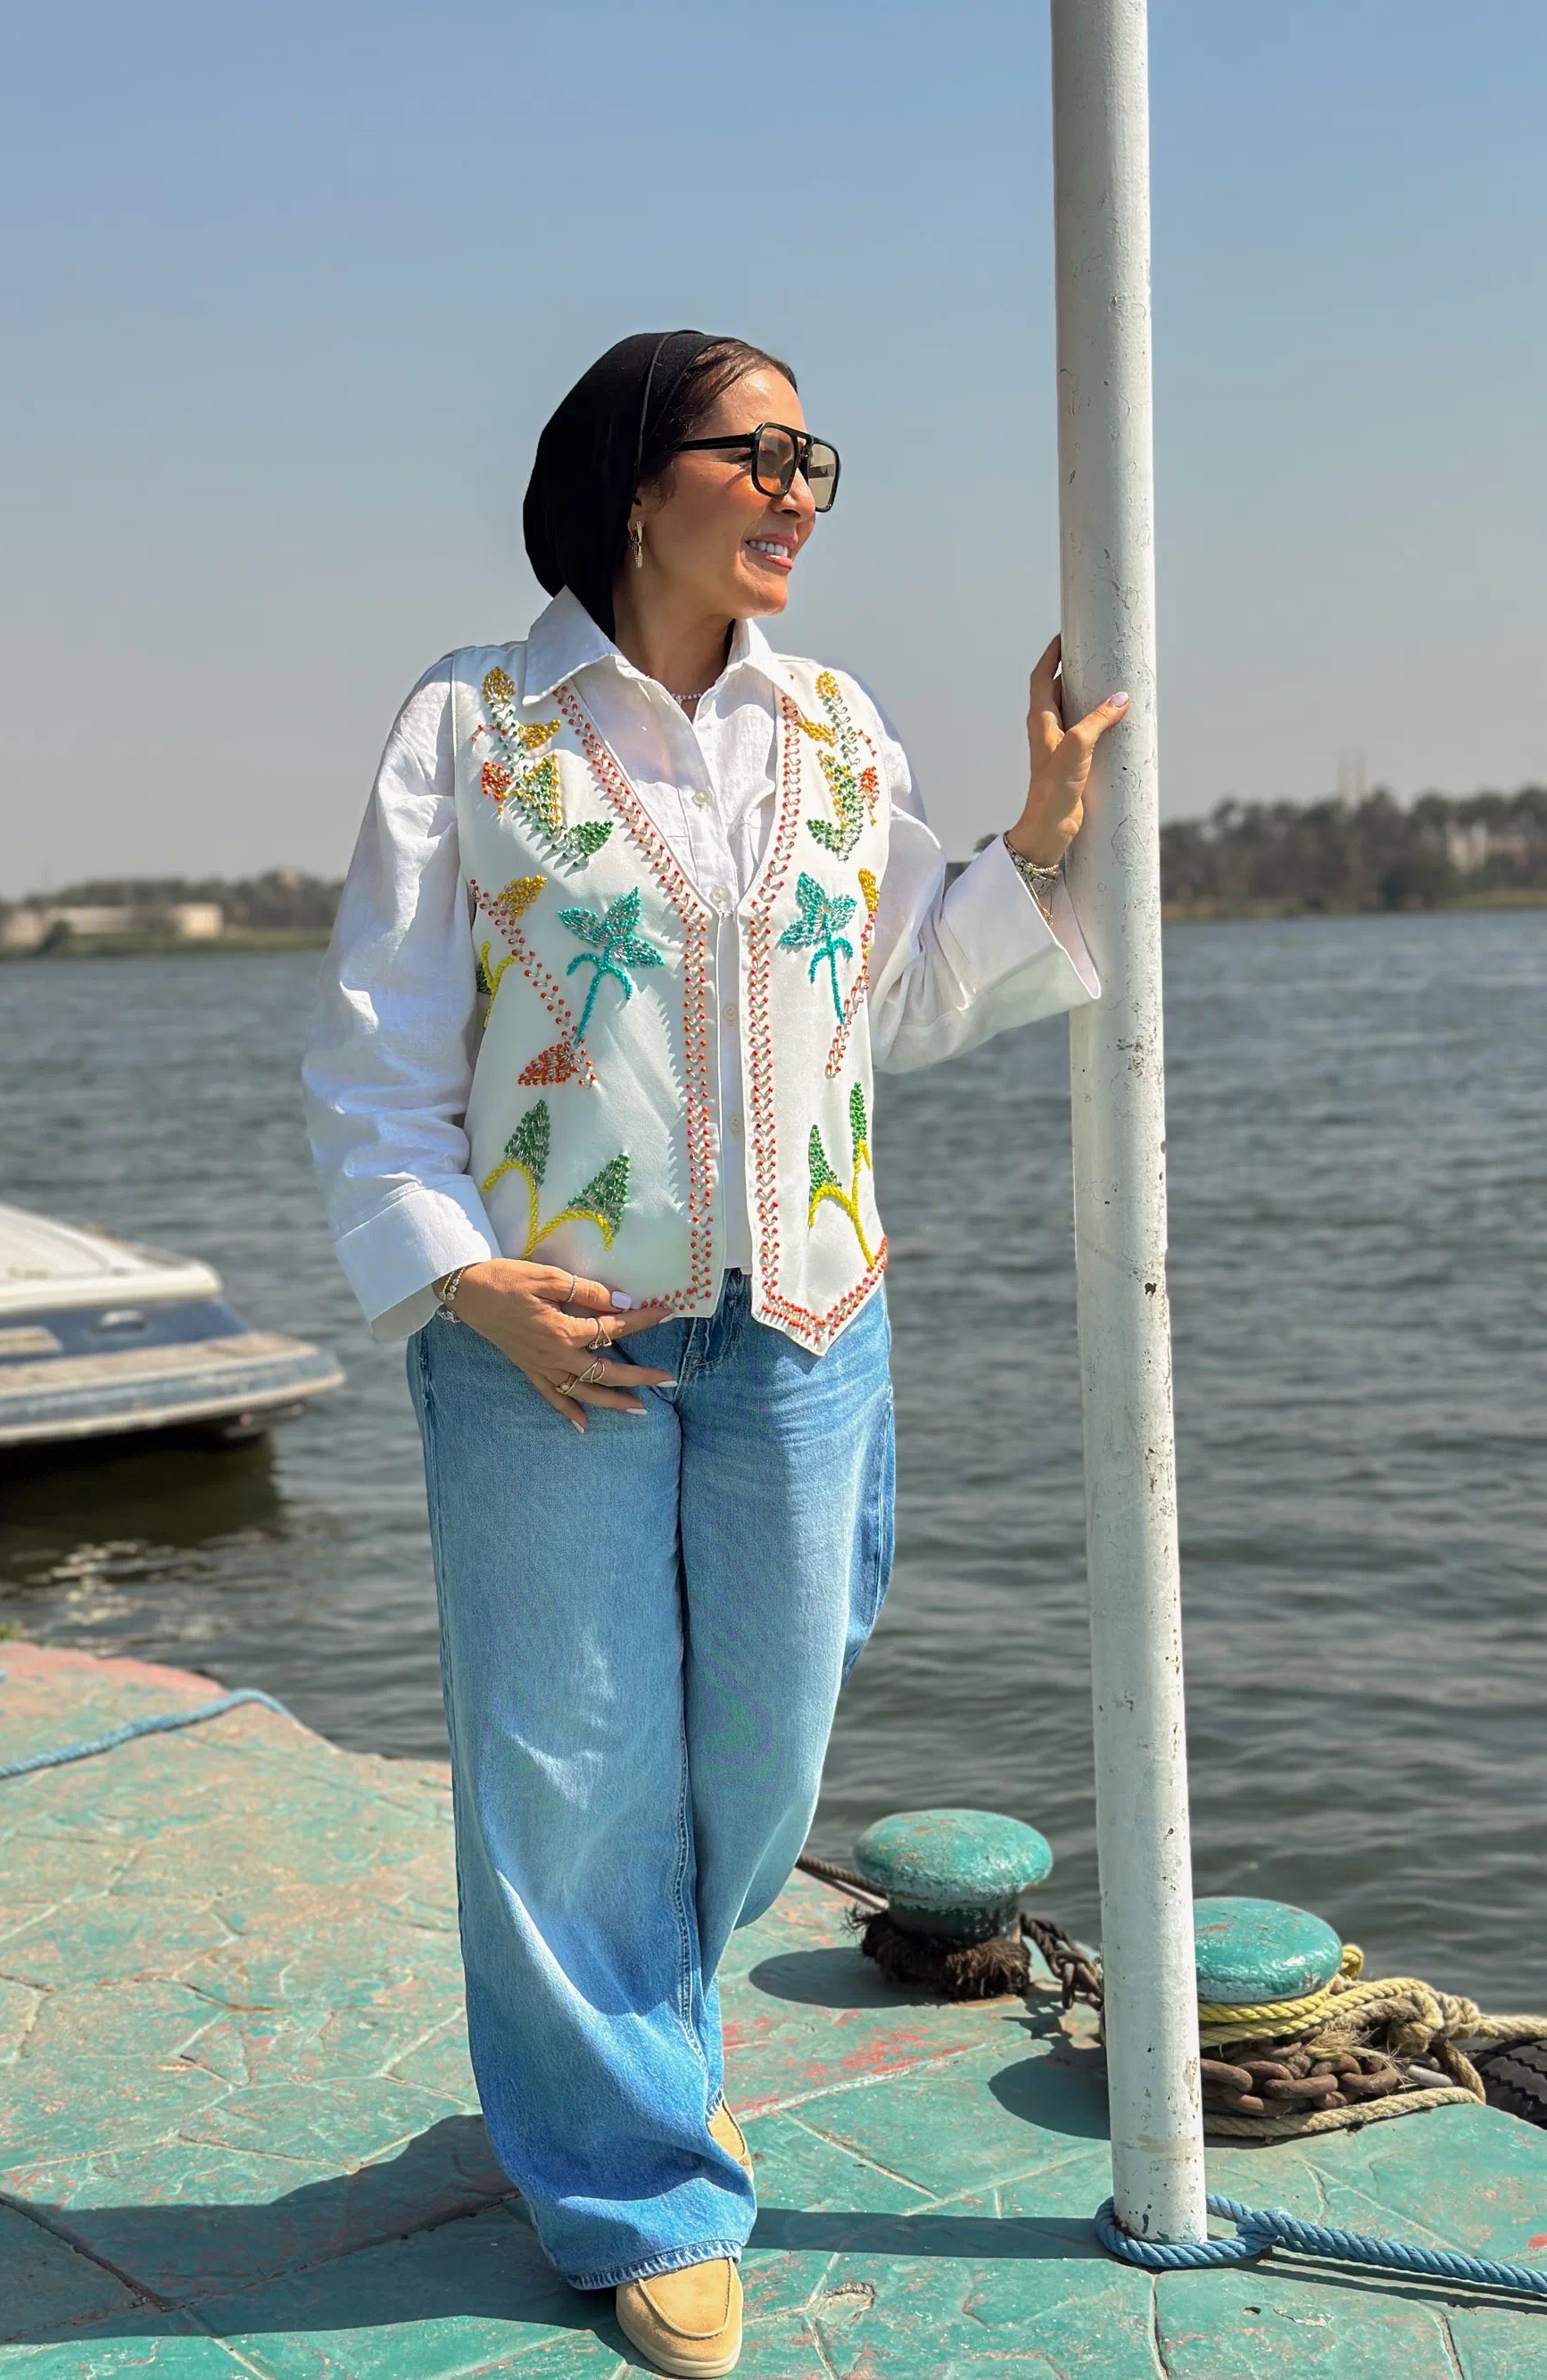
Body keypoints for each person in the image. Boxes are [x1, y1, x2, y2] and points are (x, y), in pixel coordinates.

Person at [302, 329, 1121, 2376]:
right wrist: (457, 1277)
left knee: (763, 1763)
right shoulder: (472, 726)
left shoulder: (835, 729)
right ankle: (636, 2180)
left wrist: (1027, 843)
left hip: (809, 1325)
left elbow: (893, 1002)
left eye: (812, 457)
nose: (798, 489)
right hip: (549, 1341)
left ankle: (630, 2046)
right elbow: (377, 1060)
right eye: (754, 452)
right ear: (630, 477)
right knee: (568, 1774)